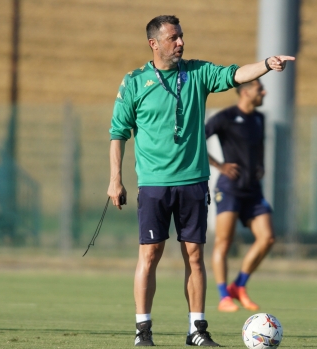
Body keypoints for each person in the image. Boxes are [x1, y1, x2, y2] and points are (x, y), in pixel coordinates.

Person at [107, 15, 294, 347]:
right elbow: (117, 133)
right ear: (154, 44)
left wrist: (266, 64)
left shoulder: (197, 73)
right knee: (149, 254)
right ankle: (143, 332)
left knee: (194, 255)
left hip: (193, 181)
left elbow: (234, 74)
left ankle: (197, 329)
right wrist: (115, 180)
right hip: (153, 184)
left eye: (181, 36)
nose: (180, 42)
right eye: (173, 38)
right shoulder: (134, 82)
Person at [205, 79, 275, 312]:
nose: (264, 92)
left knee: (267, 238)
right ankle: (224, 295)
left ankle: (239, 286)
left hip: (253, 189)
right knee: (224, 242)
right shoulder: (225, 117)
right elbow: (195, 139)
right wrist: (219, 165)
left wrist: (261, 165)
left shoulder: (259, 118)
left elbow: (260, 146)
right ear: (245, 92)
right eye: (259, 89)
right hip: (230, 188)